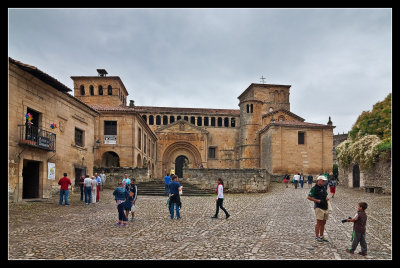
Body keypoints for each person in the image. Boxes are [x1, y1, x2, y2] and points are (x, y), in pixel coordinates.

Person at [307, 175, 330, 242]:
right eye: (323, 181)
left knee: (323, 222)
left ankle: (321, 236)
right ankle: (317, 236)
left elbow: (325, 195)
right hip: (318, 207)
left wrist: (326, 198)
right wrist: (317, 201)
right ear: (319, 180)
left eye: (324, 181)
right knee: (319, 222)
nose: (324, 182)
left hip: (325, 206)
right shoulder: (314, 188)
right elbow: (308, 197)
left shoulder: (324, 187)